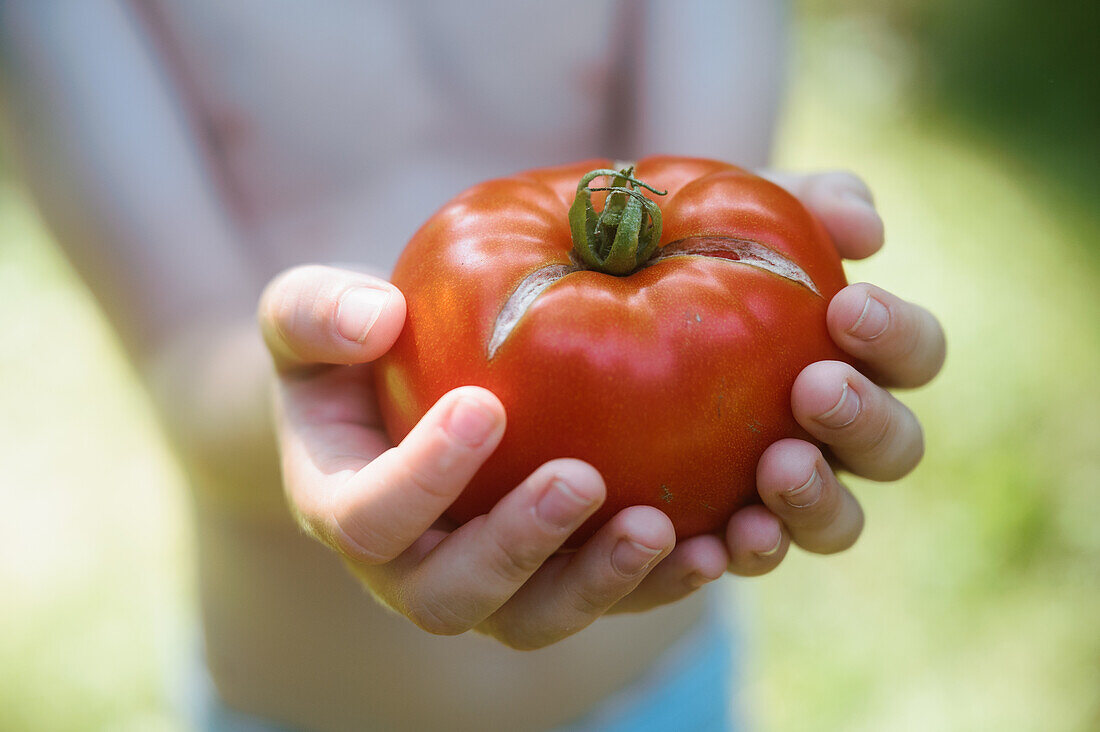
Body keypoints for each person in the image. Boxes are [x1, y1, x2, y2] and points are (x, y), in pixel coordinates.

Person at [0, 2, 945, 730]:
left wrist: (785, 313)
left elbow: (710, 242)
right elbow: (188, 365)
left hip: (663, 693)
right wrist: (322, 397)